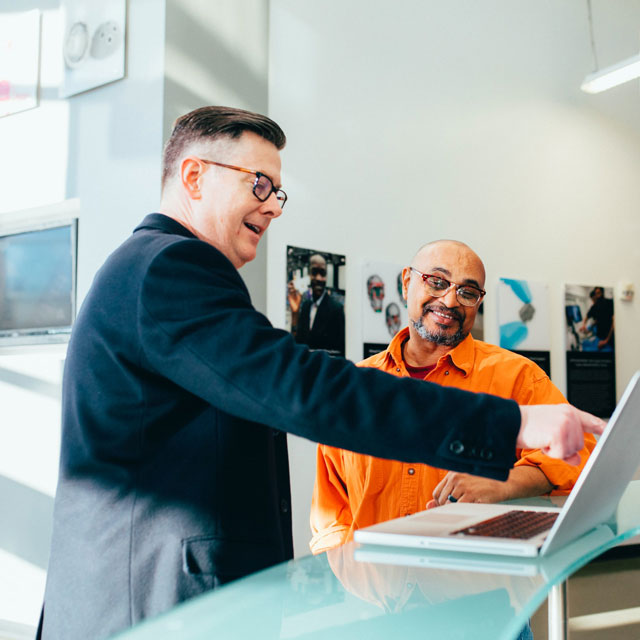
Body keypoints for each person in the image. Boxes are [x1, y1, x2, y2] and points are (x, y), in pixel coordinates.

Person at [38, 107, 603, 640]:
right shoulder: (169, 267)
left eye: (277, 191)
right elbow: (303, 388)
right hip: (152, 603)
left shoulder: (155, 269)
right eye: (258, 183)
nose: (274, 206)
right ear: (193, 176)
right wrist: (513, 425)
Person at [310, 240, 597, 554]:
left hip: (476, 588)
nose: (449, 300)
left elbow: (580, 452)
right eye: (437, 281)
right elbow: (331, 513)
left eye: (468, 292)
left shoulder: (518, 376)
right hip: (374, 591)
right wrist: (349, 581)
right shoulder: (357, 387)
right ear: (407, 282)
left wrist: (503, 483)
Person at [287, 253, 345, 356]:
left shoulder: (336, 309)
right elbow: (298, 344)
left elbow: (340, 352)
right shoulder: (305, 306)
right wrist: (295, 314)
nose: (318, 278)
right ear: (309, 275)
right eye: (314, 272)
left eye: (322, 274)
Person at [580, 286, 614, 351]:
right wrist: (584, 325)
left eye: (599, 293)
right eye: (596, 294)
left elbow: (613, 322)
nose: (597, 296)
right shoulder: (594, 307)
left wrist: (606, 341)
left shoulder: (609, 303)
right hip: (599, 337)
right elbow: (588, 317)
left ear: (602, 293)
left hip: (609, 339)